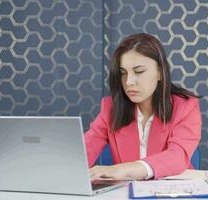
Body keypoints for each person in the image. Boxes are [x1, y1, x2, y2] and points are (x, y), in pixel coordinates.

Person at [84, 33, 201, 181]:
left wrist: (122, 169)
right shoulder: (110, 108)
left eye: (139, 71)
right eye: (123, 73)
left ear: (160, 72)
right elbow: (83, 153)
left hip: (173, 193)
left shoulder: (186, 106)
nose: (129, 82)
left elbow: (177, 156)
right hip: (125, 194)